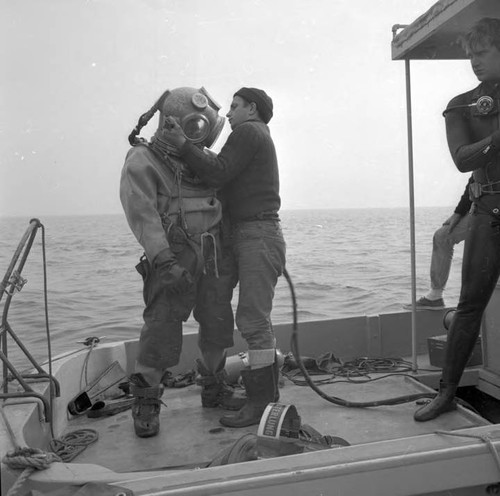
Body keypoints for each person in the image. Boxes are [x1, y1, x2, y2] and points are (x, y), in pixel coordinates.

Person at [163, 87, 286, 428]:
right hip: (251, 235)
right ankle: (265, 395)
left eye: (234, 107)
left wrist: (183, 145)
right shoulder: (255, 135)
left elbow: (217, 171)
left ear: (253, 109)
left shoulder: (249, 131)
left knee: (253, 320)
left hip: (256, 235)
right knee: (255, 318)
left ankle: (260, 403)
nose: (228, 114)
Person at [120, 86, 239, 438]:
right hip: (174, 255)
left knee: (217, 322)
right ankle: (145, 403)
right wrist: (164, 260)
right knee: (161, 327)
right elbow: (142, 214)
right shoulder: (143, 160)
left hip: (214, 253)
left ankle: (214, 388)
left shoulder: (200, 162)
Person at [414, 17, 500, 422]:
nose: (474, 63)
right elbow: (462, 159)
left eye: (482, 54)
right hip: (488, 211)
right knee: (469, 305)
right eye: (471, 55)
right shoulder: (462, 104)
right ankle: (446, 392)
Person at [404, 176, 473, 310]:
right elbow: (474, 180)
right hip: (484, 206)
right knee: (442, 236)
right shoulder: (485, 155)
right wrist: (458, 212)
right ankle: (435, 296)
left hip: (490, 208)